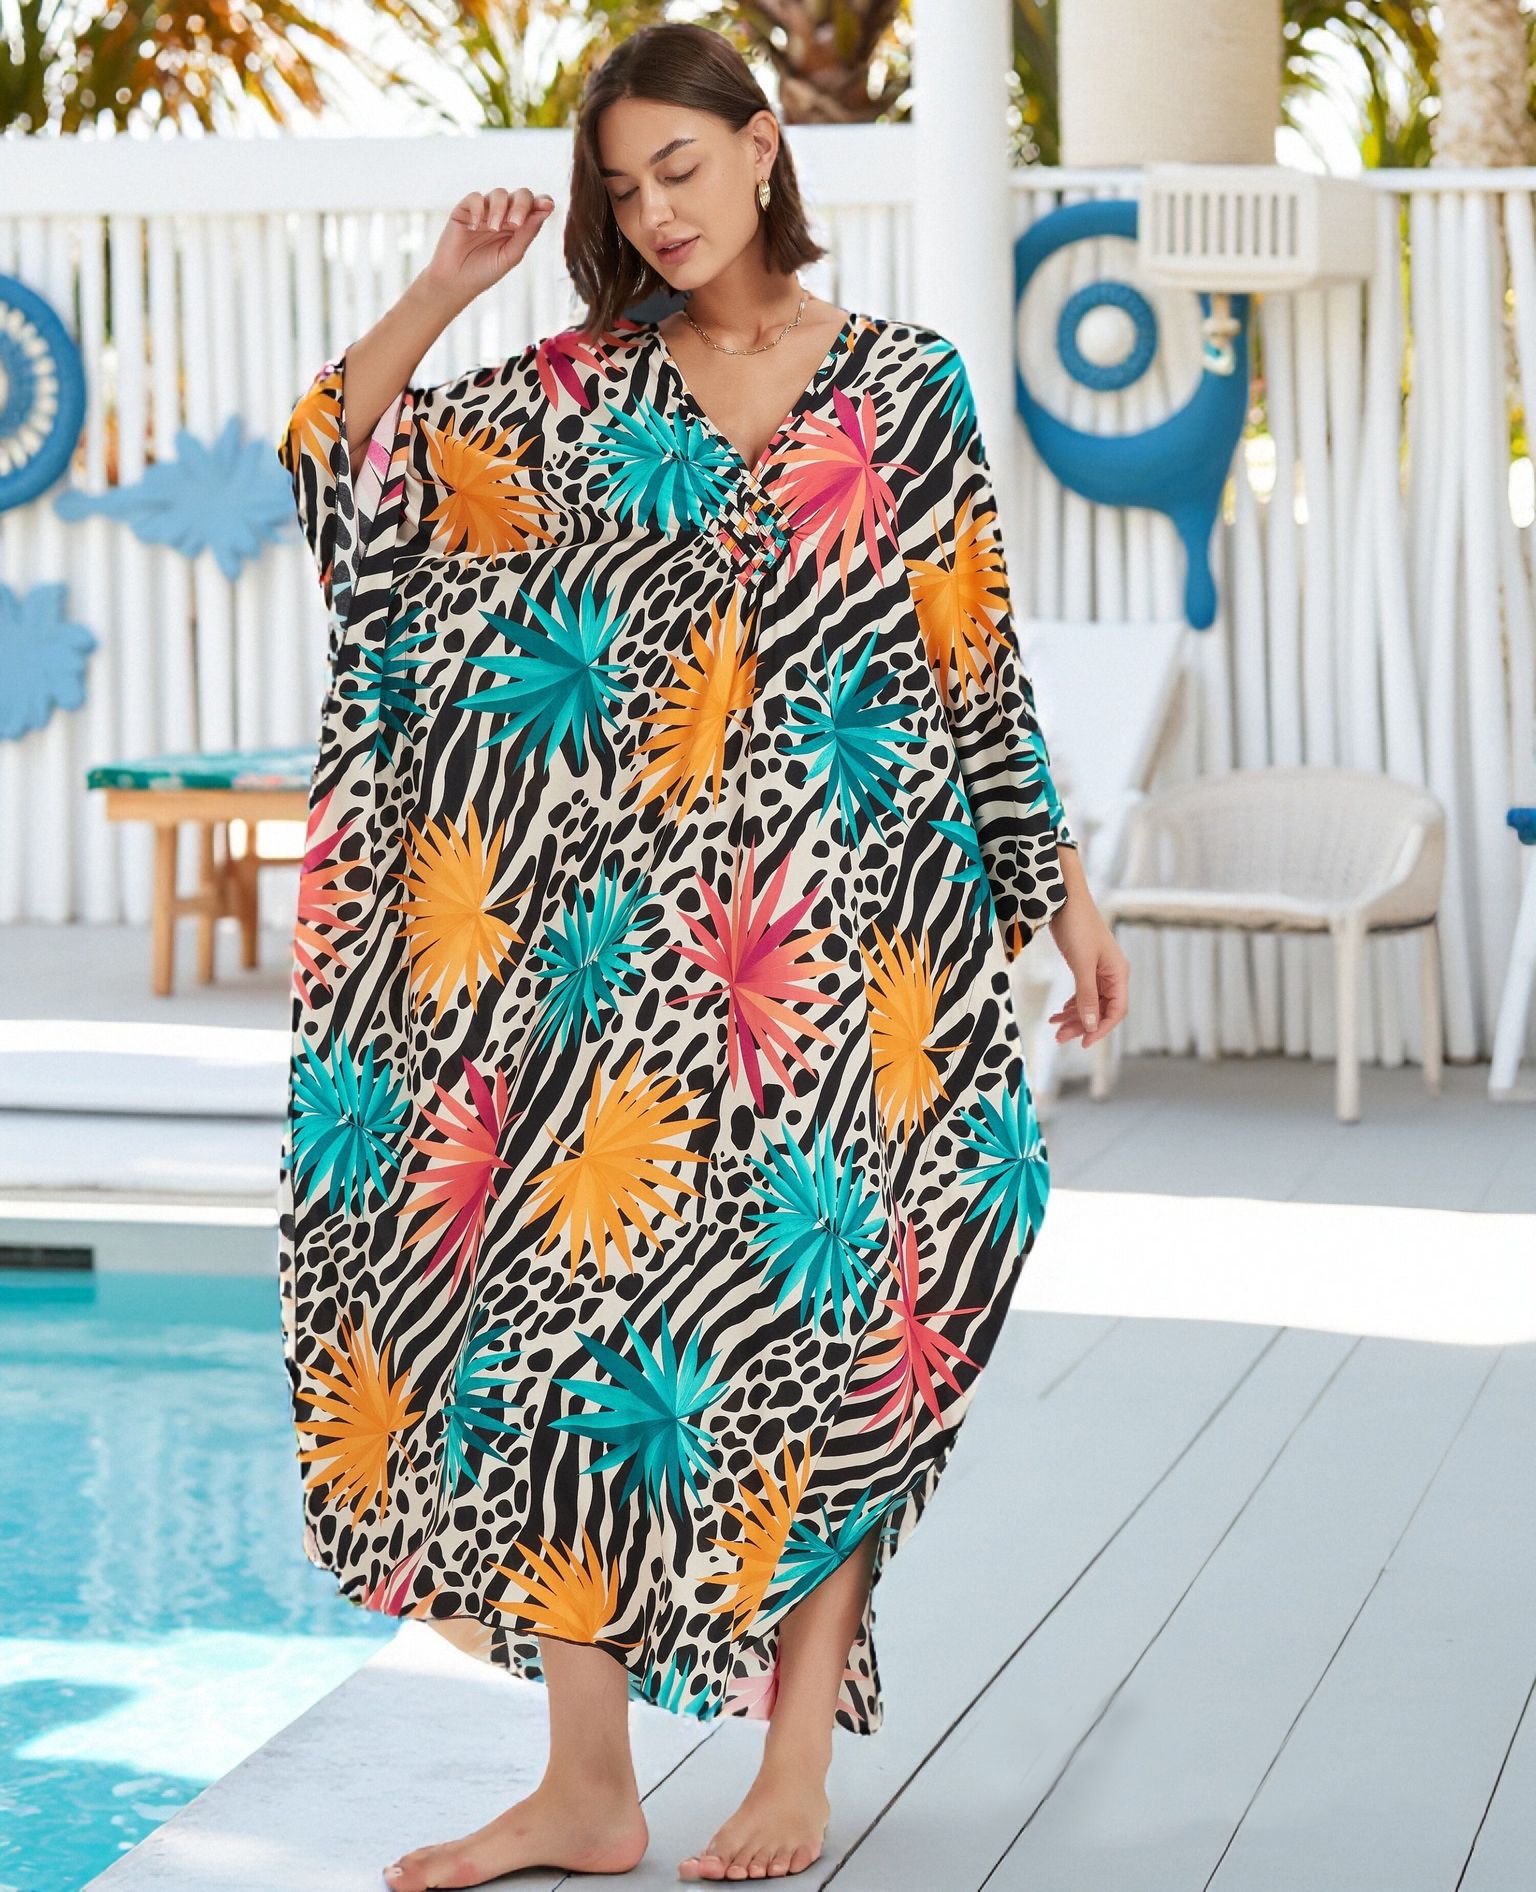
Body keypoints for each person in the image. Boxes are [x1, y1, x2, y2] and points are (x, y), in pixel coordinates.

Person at [275, 20, 1127, 1889]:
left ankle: (792, 1763)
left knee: (836, 1326)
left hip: (862, 953)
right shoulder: (573, 398)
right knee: (553, 1339)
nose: (655, 210)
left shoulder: (906, 385)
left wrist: (1059, 885)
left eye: (680, 166)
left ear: (761, 151)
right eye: (623, 185)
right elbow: (349, 483)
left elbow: (975, 658)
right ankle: (589, 1789)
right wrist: (445, 288)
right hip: (618, 965)